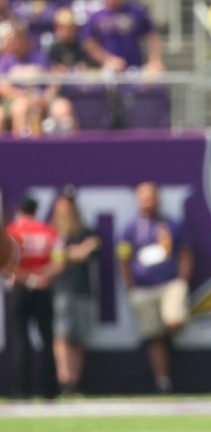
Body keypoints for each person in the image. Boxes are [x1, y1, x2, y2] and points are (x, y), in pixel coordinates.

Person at [117, 181, 193, 393]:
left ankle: (171, 344)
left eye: (151, 197)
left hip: (169, 283)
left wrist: (183, 280)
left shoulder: (171, 224)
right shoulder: (130, 228)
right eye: (143, 198)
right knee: (153, 336)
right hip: (143, 287)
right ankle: (163, 381)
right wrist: (130, 285)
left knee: (174, 320)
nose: (147, 203)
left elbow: (185, 252)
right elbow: (123, 257)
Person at [6, 195, 65, 399]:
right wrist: (40, 277)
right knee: (47, 339)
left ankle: (22, 390)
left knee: (20, 340)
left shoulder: (12, 232)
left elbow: (6, 265)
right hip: (43, 288)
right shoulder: (50, 232)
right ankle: (49, 390)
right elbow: (59, 264)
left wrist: (28, 278)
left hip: (20, 289)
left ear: (19, 209)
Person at [50, 185, 100, 396]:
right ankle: (65, 380)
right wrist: (77, 251)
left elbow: (94, 247)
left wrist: (75, 252)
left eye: (71, 203)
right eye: (64, 202)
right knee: (63, 335)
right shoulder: (52, 233)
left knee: (79, 338)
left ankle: (74, 384)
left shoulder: (85, 232)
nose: (67, 207)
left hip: (83, 291)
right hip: (61, 291)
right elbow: (57, 257)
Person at [0, 20, 76, 137]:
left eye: (19, 38)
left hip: (43, 98)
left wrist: (47, 96)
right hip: (17, 99)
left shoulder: (39, 57)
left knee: (63, 107)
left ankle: (70, 151)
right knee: (20, 107)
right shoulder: (5, 61)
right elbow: (3, 88)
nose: (16, 43)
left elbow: (53, 78)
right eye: (13, 39)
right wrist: (27, 97)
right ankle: (20, 151)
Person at [80, 0, 164, 74]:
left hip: (135, 67)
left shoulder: (136, 12)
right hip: (108, 69)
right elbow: (88, 42)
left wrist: (155, 61)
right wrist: (107, 60)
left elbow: (152, 36)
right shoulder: (96, 16)